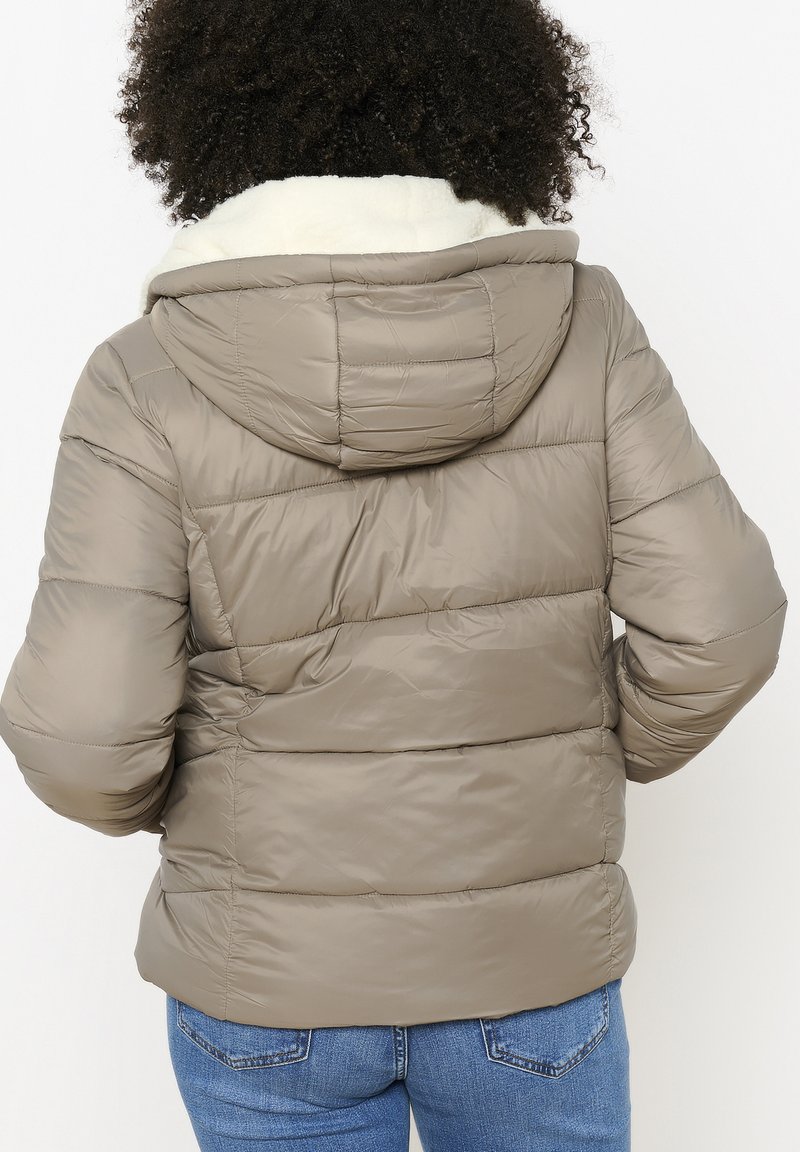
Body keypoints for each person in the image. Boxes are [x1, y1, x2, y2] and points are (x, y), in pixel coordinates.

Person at [0, 2, 788, 1149]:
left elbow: (81, 733)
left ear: (202, 115)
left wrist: (214, 814)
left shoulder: (143, 380)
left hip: (269, 985)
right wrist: (567, 760)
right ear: (495, 99)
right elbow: (721, 622)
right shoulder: (585, 332)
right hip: (527, 967)